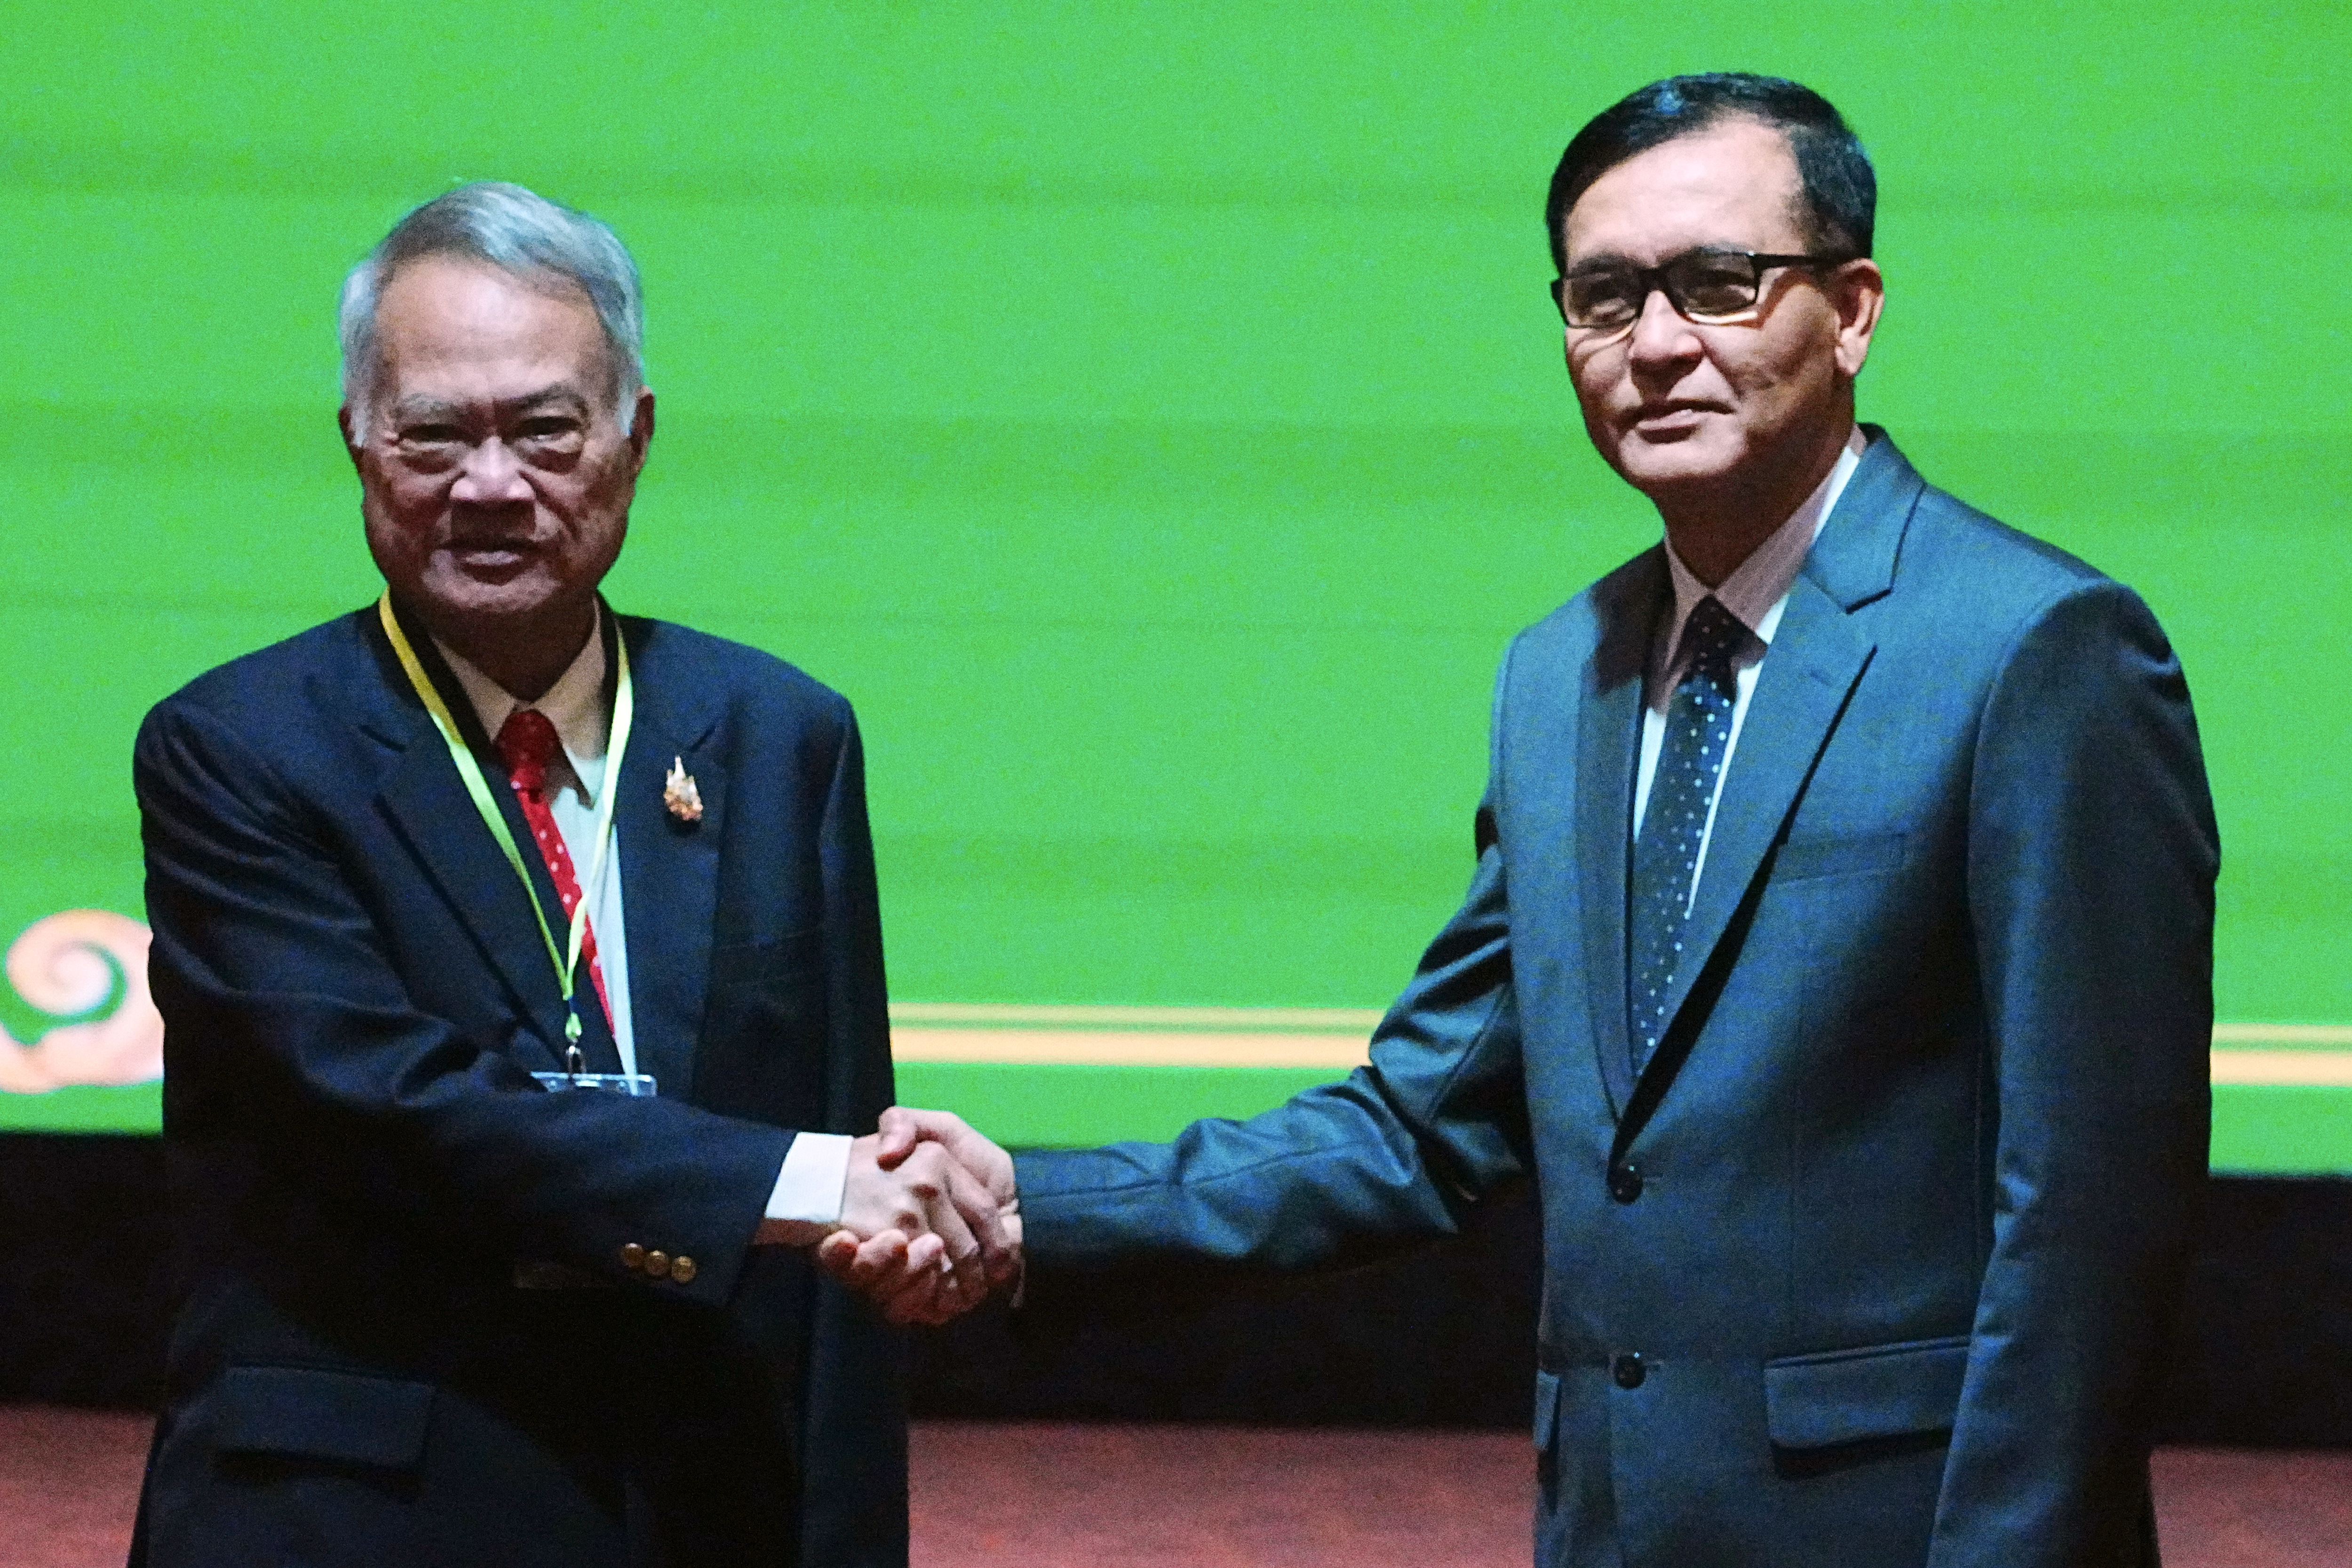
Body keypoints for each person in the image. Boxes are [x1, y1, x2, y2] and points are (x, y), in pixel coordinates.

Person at [836, 74, 2219, 1567]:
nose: (1658, 346)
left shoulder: (2039, 649)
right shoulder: (1564, 672)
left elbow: (2087, 1222)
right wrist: (1027, 1208)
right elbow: (1424, 1119)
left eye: (1721, 283)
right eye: (1605, 297)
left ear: (1856, 311)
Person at [128, 182, 1010, 1568]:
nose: (490, 486)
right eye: (435, 434)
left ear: (633, 437)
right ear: (358, 440)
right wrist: (808, 1180)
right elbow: (385, 1103)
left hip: (699, 1503)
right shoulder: (237, 750)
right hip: (351, 1517)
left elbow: (839, 1181)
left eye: (543, 429)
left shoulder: (781, 736)